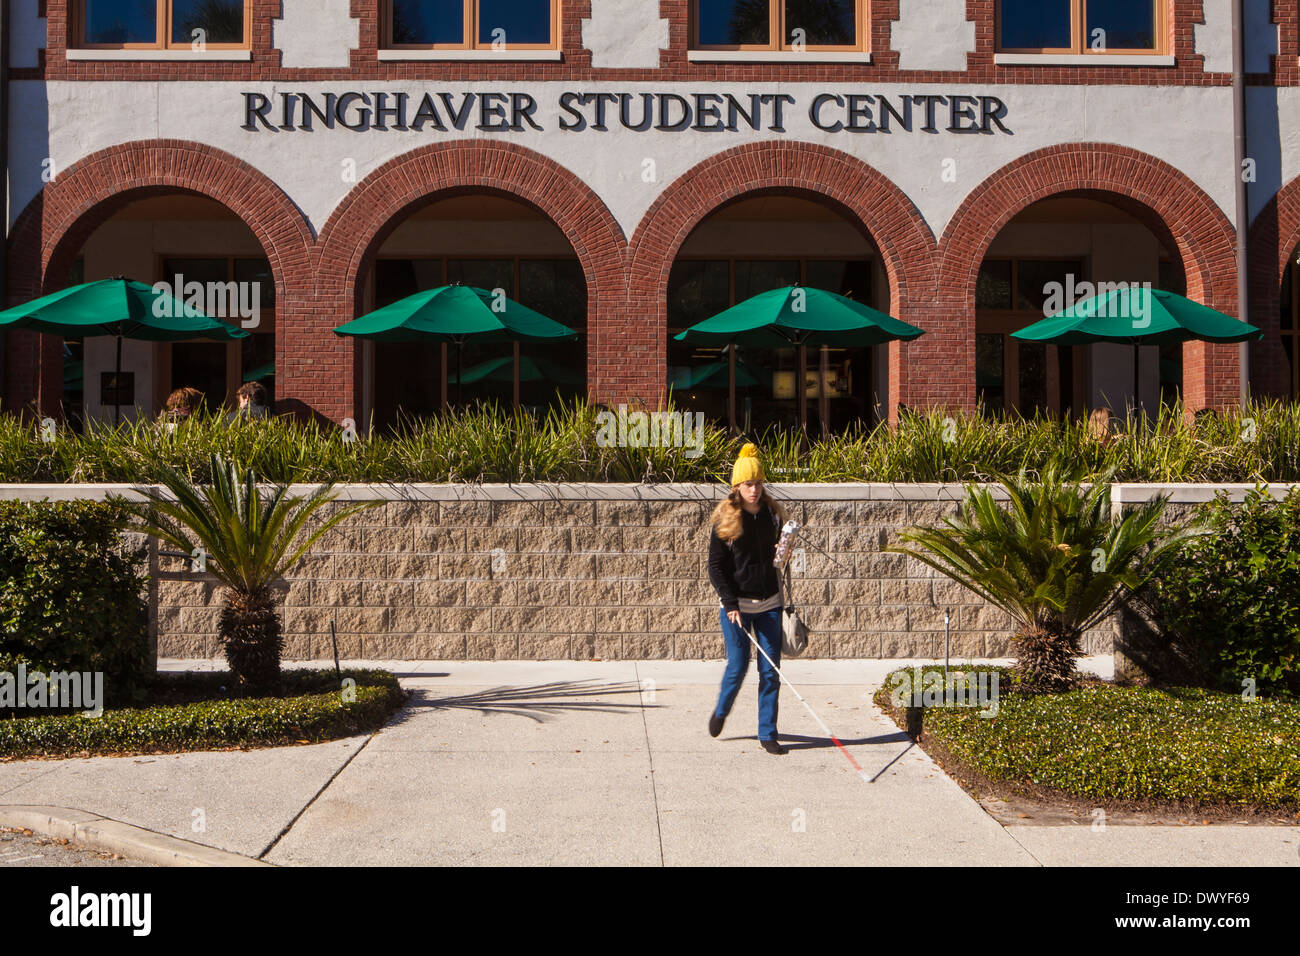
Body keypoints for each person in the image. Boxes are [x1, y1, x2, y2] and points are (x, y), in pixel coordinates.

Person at [706, 443, 789, 755]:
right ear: (737, 487)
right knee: (738, 666)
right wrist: (729, 603)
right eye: (747, 484)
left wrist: (784, 553)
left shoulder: (772, 515)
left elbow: (775, 559)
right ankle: (722, 711)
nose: (754, 490)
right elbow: (715, 567)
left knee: (770, 671)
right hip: (737, 607)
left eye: (757, 483)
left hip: (769, 604)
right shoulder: (725, 520)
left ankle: (767, 732)